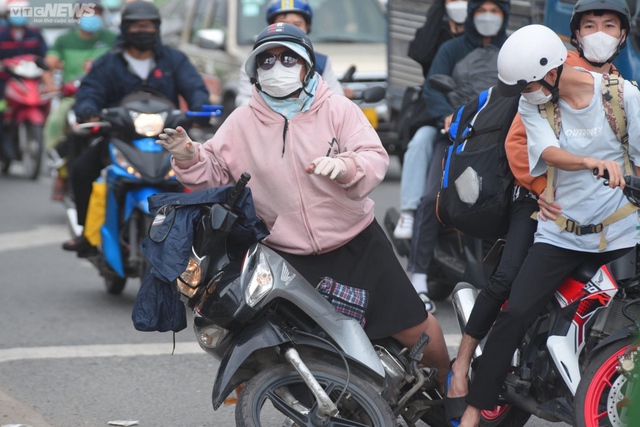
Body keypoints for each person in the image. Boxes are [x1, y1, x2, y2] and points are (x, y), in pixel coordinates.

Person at [156, 22, 452, 390]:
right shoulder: (243, 121)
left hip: (357, 245)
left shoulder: (338, 109)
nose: (276, 67)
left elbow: (372, 157)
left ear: (307, 66)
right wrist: (188, 156)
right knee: (314, 345)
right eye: (266, 61)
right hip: (288, 258)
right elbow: (214, 172)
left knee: (419, 332)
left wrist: (346, 166)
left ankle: (451, 390)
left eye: (287, 58)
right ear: (255, 72)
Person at [445, 1, 634, 424]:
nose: (599, 33)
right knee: (509, 287)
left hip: (609, 217)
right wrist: (542, 187)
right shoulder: (537, 78)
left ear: (623, 35)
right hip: (539, 202)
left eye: (609, 25)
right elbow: (523, 149)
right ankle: (463, 373)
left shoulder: (623, 90)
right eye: (590, 25)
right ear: (575, 33)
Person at [61, 0, 209, 256]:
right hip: (119, 138)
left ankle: (205, 238)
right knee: (81, 170)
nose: (144, 30)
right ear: (125, 28)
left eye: (149, 26)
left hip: (168, 139)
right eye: (138, 26)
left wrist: (201, 108)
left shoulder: (175, 60)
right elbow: (90, 91)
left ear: (158, 28)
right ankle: (88, 234)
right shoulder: (107, 63)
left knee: (206, 171)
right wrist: (88, 109)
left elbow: (195, 87)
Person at [399, 0, 510, 313]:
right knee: (432, 198)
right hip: (456, 137)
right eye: (482, 10)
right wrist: (447, 116)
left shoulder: (512, 48)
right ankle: (418, 274)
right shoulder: (451, 49)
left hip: (501, 137)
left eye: (496, 10)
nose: (488, 17)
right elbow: (432, 89)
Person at [393, 0, 466, 242]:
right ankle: (408, 211)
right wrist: (438, 9)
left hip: (471, 112)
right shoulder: (438, 33)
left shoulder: (480, 38)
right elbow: (421, 53)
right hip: (435, 112)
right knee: (420, 142)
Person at [43, 0, 117, 200]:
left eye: (96, 12)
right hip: (73, 97)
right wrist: (50, 83)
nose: (92, 16)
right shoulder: (65, 40)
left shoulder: (113, 39)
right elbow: (49, 63)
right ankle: (61, 173)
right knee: (56, 124)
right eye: (87, 12)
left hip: (107, 98)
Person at [235, 0, 346, 108]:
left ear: (307, 27)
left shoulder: (321, 62)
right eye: (283, 24)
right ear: (272, 26)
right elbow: (245, 101)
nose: (290, 30)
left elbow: (336, 101)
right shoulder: (254, 61)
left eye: (297, 25)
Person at [0, 0, 48, 161]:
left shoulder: (34, 34)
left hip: (30, 81)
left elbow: (46, 56)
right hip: (5, 83)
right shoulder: (1, 34)